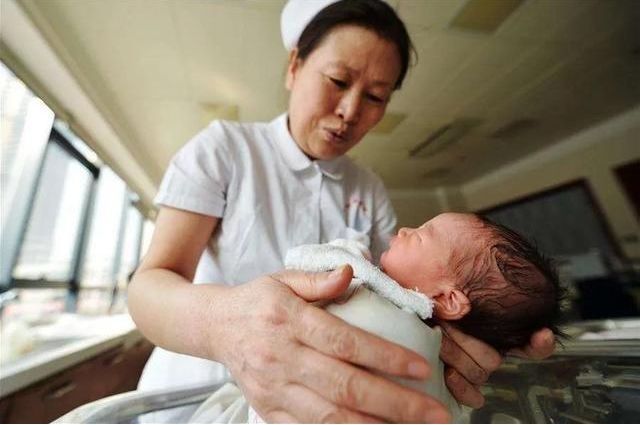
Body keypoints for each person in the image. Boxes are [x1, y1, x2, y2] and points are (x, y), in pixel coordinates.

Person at [128, 0, 556, 422]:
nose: (350, 111)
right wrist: (226, 326)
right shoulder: (226, 150)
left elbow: (406, 293)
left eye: (375, 96)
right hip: (191, 399)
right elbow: (148, 287)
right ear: (294, 66)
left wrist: (469, 334)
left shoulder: (367, 188)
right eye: (337, 80)